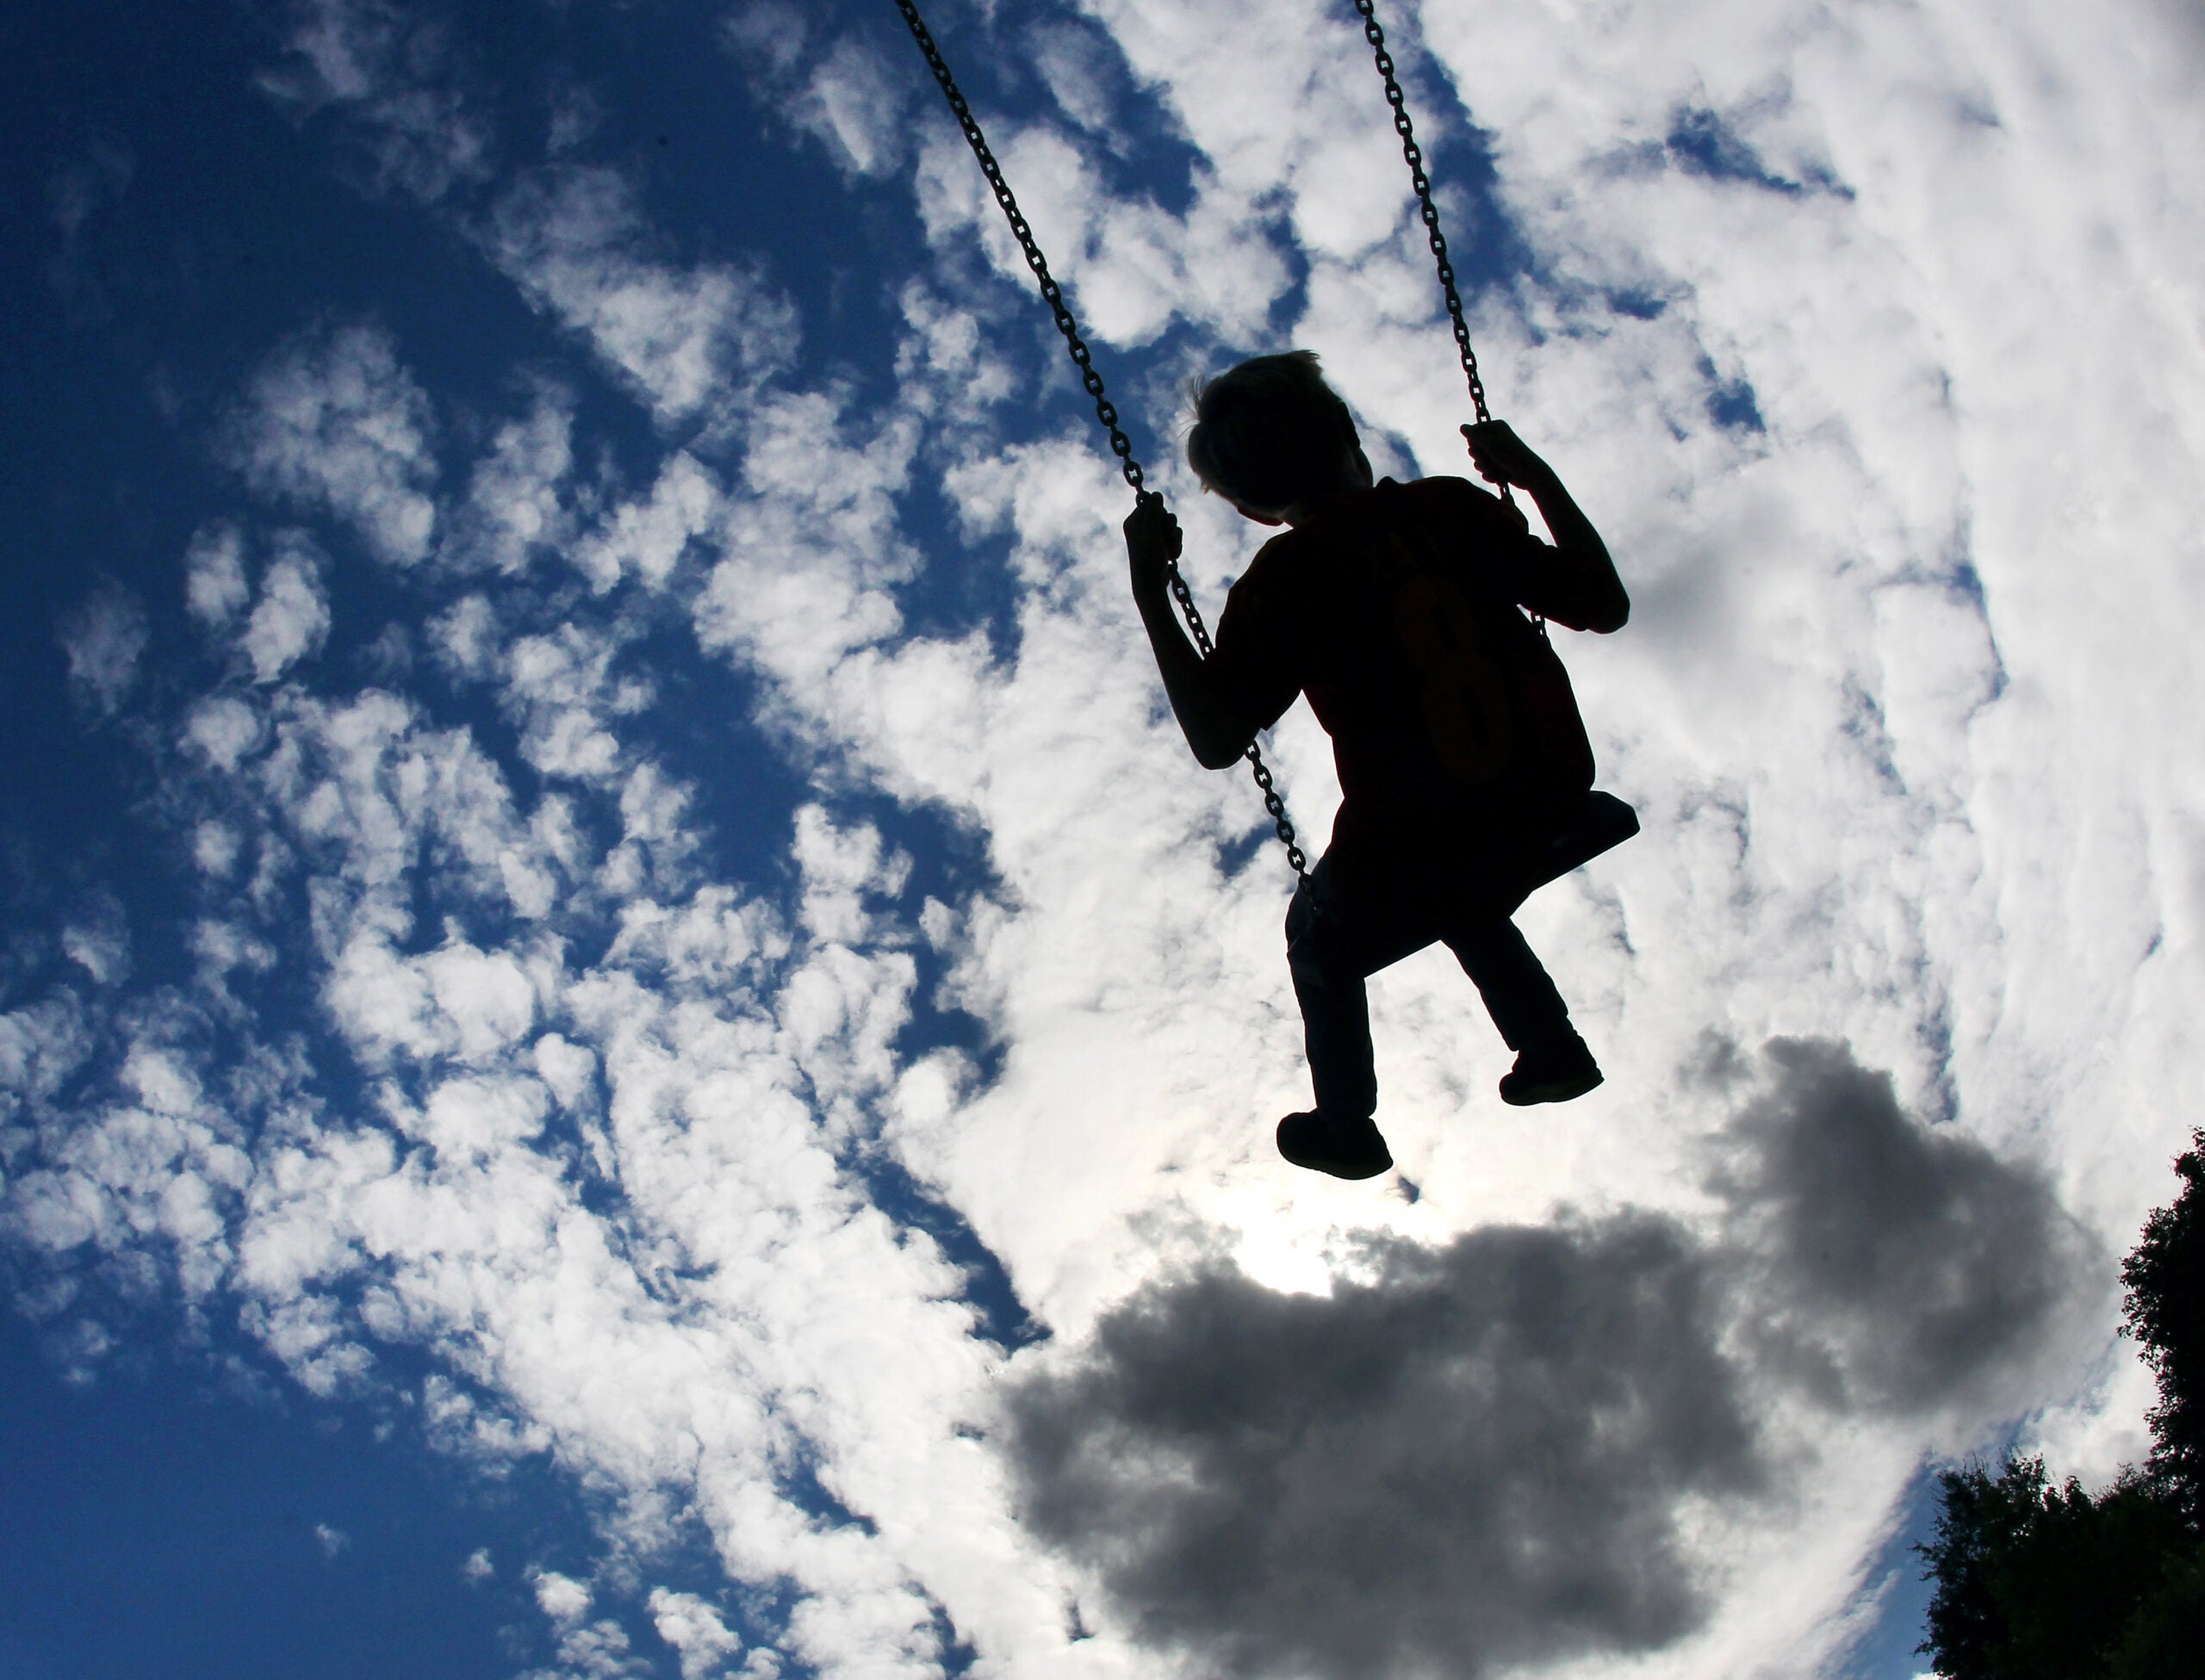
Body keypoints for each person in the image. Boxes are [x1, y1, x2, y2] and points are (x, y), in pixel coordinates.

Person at [1123, 350, 1629, 1180]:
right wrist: (1533, 476)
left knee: (1319, 927)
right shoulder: (1454, 507)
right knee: (1459, 878)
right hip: (1544, 785)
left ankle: (1347, 1121)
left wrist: (1151, 589)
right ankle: (1550, 1044)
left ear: (1252, 507)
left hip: (1419, 829)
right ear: (1346, 430)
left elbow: (1218, 738)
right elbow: (1602, 604)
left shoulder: (1286, 578)